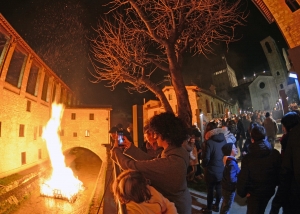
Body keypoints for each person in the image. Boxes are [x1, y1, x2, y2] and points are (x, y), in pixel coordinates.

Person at [110, 112, 191, 214]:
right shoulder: (178, 151)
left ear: (165, 134)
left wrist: (116, 151)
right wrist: (130, 147)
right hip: (181, 202)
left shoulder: (171, 163)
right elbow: (152, 161)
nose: (154, 136)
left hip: (175, 208)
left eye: (155, 133)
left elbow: (132, 166)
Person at [237, 124, 281, 214]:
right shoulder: (275, 154)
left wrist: (242, 193)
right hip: (269, 191)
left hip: (254, 194)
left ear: (252, 139)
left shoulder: (248, 159)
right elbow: (279, 173)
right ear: (265, 137)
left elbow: (243, 178)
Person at [269, 111, 300, 213]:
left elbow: (287, 173)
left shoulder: (291, 140)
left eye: (284, 126)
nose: (282, 128)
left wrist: (276, 203)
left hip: (294, 195)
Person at [112, 170, 178, 214]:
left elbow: (170, 205)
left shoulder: (149, 189)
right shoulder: (130, 210)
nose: (148, 186)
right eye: (143, 186)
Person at [200, 122, 227, 214]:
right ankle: (217, 206)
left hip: (211, 170)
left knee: (210, 190)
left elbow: (206, 158)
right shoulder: (223, 139)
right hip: (221, 168)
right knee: (219, 188)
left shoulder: (209, 142)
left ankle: (209, 209)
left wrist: (204, 164)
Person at [220, 143, 240, 214]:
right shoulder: (231, 163)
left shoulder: (228, 160)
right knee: (227, 206)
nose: (236, 149)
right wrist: (239, 181)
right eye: (234, 148)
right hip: (229, 188)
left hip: (225, 186)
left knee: (224, 204)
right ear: (230, 151)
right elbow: (231, 178)